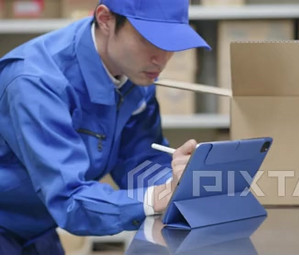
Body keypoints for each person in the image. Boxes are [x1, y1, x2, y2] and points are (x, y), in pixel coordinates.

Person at [0, 0, 210, 254]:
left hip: (38, 227)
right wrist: (156, 198)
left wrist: (179, 183)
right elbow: (69, 199)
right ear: (105, 19)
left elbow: (138, 162)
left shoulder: (134, 73)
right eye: (149, 40)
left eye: (170, 44)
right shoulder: (35, 82)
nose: (161, 59)